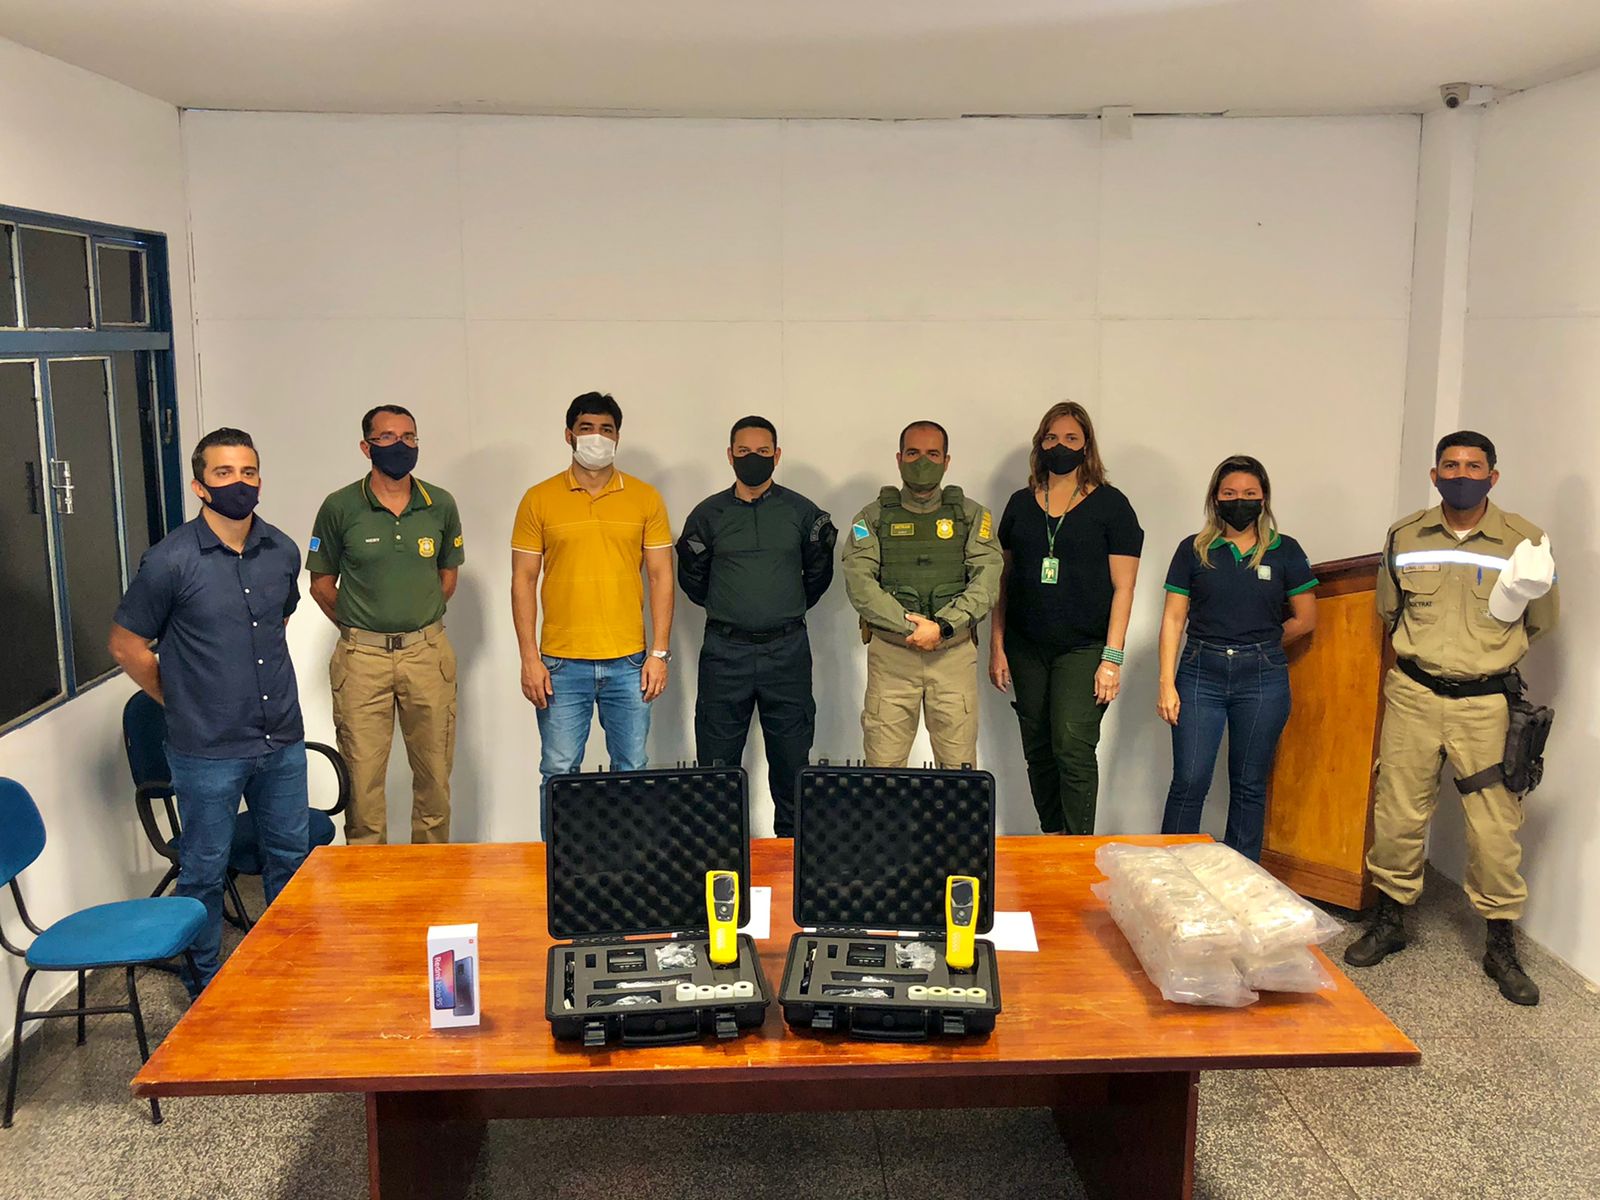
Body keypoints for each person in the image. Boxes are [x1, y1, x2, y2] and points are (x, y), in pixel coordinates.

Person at [1345, 431, 1558, 1006]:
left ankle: (1500, 944)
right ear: (1434, 474)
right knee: (1396, 811)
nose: (1461, 474)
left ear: (1493, 476)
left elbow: (1540, 620)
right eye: (1451, 465)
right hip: (1414, 695)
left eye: (1474, 466)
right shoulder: (1405, 535)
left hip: (1486, 706)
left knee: (1494, 827)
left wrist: (1481, 658)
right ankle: (1390, 921)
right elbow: (1389, 608)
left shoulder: (1525, 540)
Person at [107, 428, 308, 995]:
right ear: (199, 486)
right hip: (207, 750)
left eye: (248, 472)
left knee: (292, 861)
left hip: (281, 740)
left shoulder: (282, 550)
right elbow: (126, 645)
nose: (238, 483)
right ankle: (206, 989)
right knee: (203, 873)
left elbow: (276, 621)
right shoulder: (168, 561)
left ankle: (293, 974)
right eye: (223, 473)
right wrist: (180, 698)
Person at [510, 393, 675, 820]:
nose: (596, 438)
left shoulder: (645, 498)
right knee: (559, 772)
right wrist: (529, 658)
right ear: (569, 435)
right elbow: (523, 579)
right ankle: (559, 860)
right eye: (586, 428)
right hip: (561, 665)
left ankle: (630, 858)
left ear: (618, 436)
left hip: (629, 662)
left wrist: (658, 653)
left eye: (606, 429)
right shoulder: (538, 498)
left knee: (632, 770)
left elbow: (661, 576)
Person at [306, 405, 465, 845]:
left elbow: (447, 577)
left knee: (435, 780)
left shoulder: (440, 504)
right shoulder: (340, 507)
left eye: (409, 437)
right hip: (362, 661)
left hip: (427, 656)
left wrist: (414, 619)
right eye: (388, 437)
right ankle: (369, 879)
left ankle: (431, 874)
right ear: (366, 447)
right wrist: (362, 625)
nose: (401, 445)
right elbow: (321, 584)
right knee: (363, 787)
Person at [677, 416, 836, 837]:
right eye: (744, 451)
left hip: (787, 652)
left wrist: (778, 609)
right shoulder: (707, 515)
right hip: (724, 653)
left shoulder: (802, 513)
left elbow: (818, 576)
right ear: (730, 456)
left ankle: (790, 859)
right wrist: (735, 609)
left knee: (792, 764)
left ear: (777, 455)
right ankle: (720, 856)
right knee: (716, 767)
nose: (753, 458)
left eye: (763, 451)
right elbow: (693, 580)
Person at [989, 402, 1143, 835]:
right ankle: (1052, 836)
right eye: (1052, 438)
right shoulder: (1020, 504)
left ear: (1086, 445)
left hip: (1084, 647)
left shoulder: (1112, 505)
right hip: (1025, 646)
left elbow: (1125, 587)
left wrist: (1111, 658)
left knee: (1072, 745)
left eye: (1071, 438)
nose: (1061, 446)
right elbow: (1002, 581)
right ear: (1040, 444)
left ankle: (1077, 846)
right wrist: (997, 646)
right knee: (1038, 748)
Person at [1156, 455, 1318, 860]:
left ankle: (1241, 878)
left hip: (1262, 680)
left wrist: (1261, 645)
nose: (1239, 501)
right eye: (1229, 493)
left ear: (1263, 499)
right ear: (1215, 498)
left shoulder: (1285, 550)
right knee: (1189, 781)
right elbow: (1173, 619)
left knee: (1248, 784)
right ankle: (1170, 875)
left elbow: (1305, 619)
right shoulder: (1194, 550)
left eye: (1249, 493)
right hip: (1200, 674)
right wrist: (1166, 683)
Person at [842, 420, 1001, 769]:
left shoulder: (972, 516)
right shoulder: (871, 518)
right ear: (899, 459)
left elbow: (987, 581)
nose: (923, 461)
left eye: (933, 453)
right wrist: (912, 628)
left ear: (947, 461)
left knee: (959, 771)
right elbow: (860, 583)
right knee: (882, 769)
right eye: (913, 453)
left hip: (953, 656)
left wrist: (942, 627)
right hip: (892, 657)